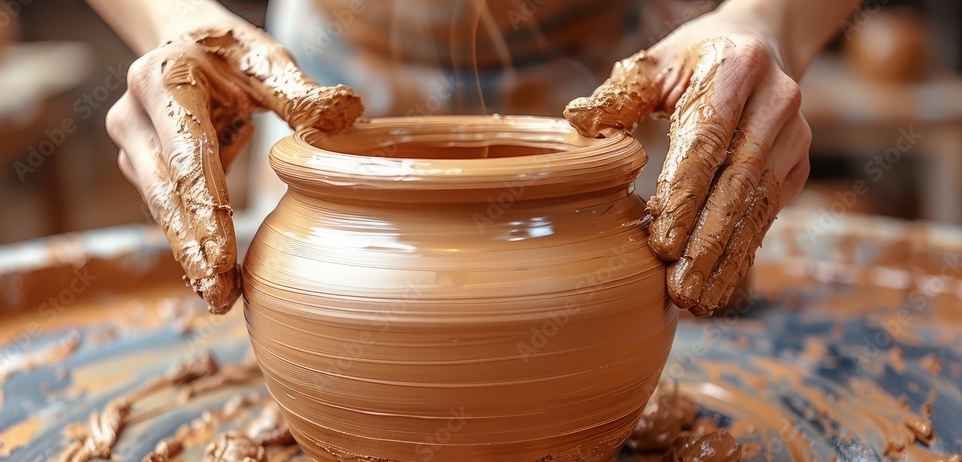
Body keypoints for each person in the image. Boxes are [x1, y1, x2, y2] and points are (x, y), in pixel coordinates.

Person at [87, 0, 859, 315]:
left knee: (686, 295)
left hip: (630, 74)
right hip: (331, 68)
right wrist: (175, 21)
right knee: (320, 309)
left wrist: (771, 21)